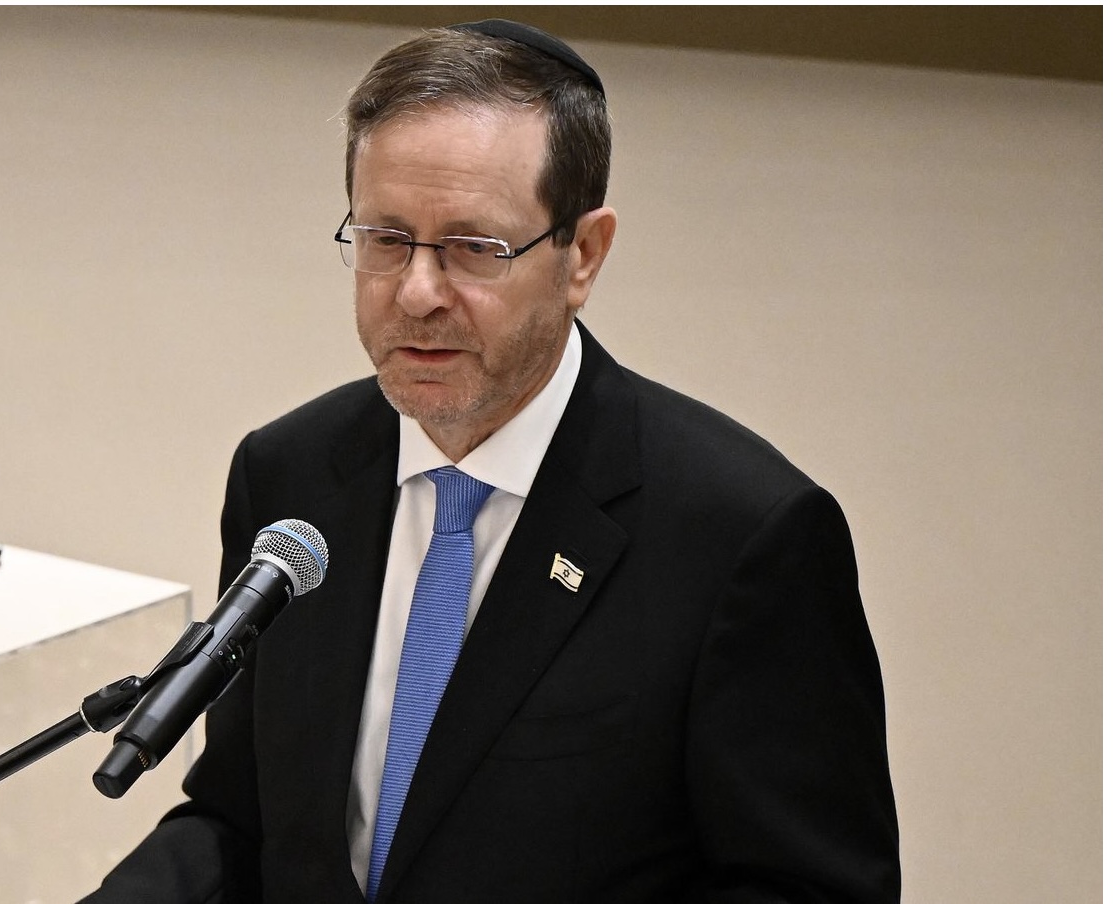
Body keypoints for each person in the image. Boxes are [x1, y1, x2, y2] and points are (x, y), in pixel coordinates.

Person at [83, 18, 899, 903]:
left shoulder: (742, 537)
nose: (419, 292)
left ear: (582, 255)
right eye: (386, 239)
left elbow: (810, 891)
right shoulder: (290, 477)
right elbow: (242, 820)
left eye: (475, 247)